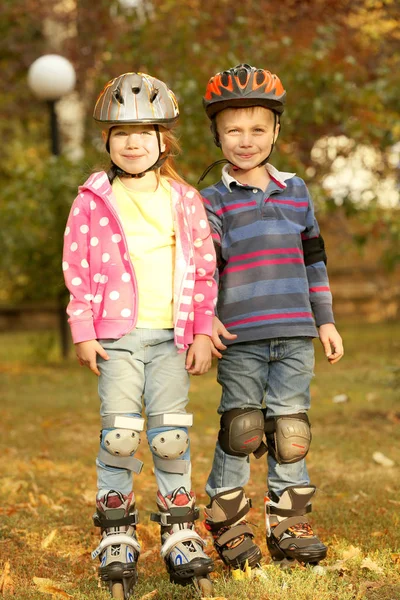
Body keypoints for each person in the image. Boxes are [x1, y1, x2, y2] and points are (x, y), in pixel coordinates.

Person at [62, 72, 216, 598]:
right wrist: (82, 327)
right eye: (122, 132)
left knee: (171, 435)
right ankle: (117, 533)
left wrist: (199, 330)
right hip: (117, 335)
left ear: (162, 140)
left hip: (172, 336)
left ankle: (179, 531)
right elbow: (76, 267)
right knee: (121, 434)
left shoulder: (183, 198)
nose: (133, 141)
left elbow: (202, 269)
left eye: (145, 131)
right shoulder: (91, 198)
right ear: (107, 139)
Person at [198, 64, 344, 572]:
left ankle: (289, 523)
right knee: (242, 428)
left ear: (276, 130)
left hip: (297, 333)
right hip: (239, 335)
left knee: (290, 430)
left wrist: (324, 320)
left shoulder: (297, 191)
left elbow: (314, 259)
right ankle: (227, 519)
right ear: (217, 133)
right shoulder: (210, 200)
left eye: (257, 128)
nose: (245, 140)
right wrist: (205, 318)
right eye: (233, 130)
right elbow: (204, 269)